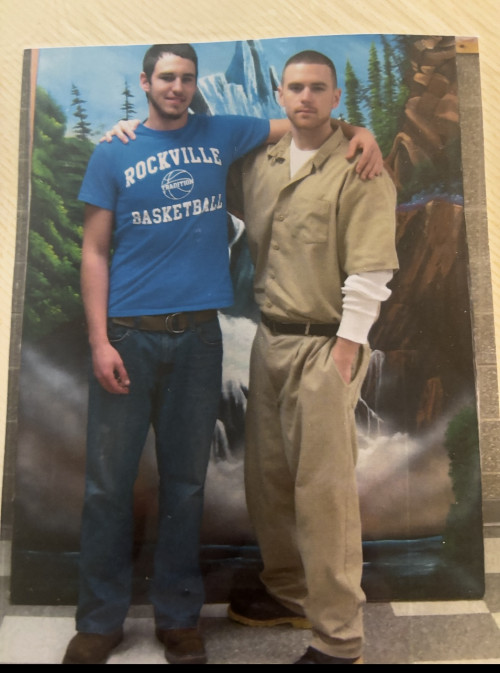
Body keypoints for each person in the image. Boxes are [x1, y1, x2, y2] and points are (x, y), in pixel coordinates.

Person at [62, 43, 383, 666]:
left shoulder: (223, 133)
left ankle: (180, 619)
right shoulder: (115, 150)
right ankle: (99, 621)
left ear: (195, 84)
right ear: (145, 82)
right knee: (107, 486)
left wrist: (360, 132)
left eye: (186, 77)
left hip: (202, 338)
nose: (176, 87)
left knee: (186, 487)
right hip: (128, 335)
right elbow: (94, 251)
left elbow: (308, 119)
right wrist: (99, 340)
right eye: (166, 77)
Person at [224, 51, 399, 664]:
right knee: (269, 480)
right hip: (269, 340)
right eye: (295, 87)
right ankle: (289, 591)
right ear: (280, 94)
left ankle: (339, 639)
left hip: (327, 345)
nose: (305, 97)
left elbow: (372, 272)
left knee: (323, 495)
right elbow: (198, 147)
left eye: (318, 88)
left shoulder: (359, 168)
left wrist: (347, 350)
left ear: (336, 97)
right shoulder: (260, 164)